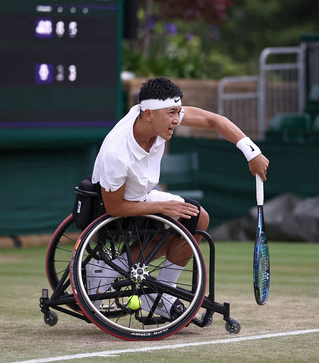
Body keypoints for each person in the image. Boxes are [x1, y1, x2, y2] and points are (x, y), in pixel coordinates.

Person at [87, 77, 269, 317]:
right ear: (149, 114)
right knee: (176, 222)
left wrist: (251, 152)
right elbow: (114, 207)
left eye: (179, 112)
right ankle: (102, 270)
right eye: (172, 113)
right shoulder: (117, 153)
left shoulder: (157, 118)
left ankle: (165, 290)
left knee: (198, 218)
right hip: (115, 210)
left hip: (142, 198)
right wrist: (163, 207)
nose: (177, 119)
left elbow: (214, 120)